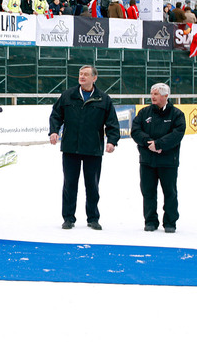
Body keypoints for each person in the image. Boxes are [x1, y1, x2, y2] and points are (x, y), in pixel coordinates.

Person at [49, 65, 120, 231]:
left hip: (93, 148)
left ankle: (93, 218)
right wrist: (53, 131)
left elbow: (112, 123)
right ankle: (68, 218)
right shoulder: (68, 95)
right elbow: (56, 115)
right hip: (70, 148)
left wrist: (112, 141)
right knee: (69, 185)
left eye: (86, 74)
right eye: (81, 74)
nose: (82, 76)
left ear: (94, 78)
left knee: (92, 185)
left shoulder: (103, 99)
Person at [131, 83, 185, 233]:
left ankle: (170, 222)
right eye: (152, 94)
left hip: (168, 161)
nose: (152, 97)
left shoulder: (176, 114)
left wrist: (160, 144)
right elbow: (135, 131)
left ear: (165, 96)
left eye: (156, 94)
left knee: (170, 192)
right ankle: (150, 221)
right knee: (148, 191)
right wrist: (149, 143)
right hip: (147, 160)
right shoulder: (144, 113)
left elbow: (178, 133)